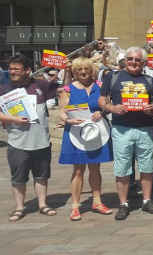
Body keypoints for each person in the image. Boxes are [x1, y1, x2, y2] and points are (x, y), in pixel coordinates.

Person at [99, 46, 153, 220]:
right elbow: (102, 99)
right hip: (121, 128)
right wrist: (112, 108)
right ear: (125, 60)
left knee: (147, 166)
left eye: (138, 60)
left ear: (143, 63)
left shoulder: (149, 80)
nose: (134, 62)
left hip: (145, 128)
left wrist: (152, 109)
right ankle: (123, 203)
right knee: (122, 167)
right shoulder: (113, 77)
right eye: (130, 59)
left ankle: (147, 200)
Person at [1, 54, 60, 222]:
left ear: (27, 70)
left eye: (16, 69)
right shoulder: (4, 89)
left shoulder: (40, 85)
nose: (12, 72)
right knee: (18, 177)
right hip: (17, 142)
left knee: (42, 176)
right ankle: (20, 207)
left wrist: (67, 70)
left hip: (41, 141)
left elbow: (62, 88)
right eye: (11, 69)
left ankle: (43, 204)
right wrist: (13, 119)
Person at [58, 57, 113, 221]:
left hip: (97, 133)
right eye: (79, 70)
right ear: (74, 72)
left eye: (86, 70)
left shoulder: (101, 87)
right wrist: (67, 120)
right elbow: (62, 111)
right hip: (75, 133)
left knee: (95, 168)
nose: (83, 73)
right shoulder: (67, 89)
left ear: (92, 71)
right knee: (78, 170)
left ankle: (97, 201)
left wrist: (102, 112)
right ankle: (75, 206)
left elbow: (108, 105)